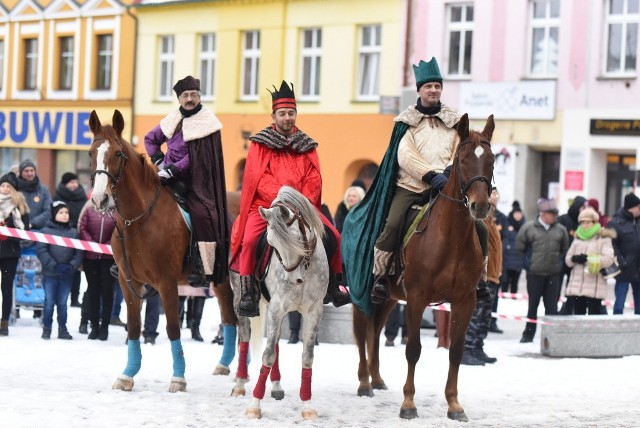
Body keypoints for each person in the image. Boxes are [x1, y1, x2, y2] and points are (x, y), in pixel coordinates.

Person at [341, 57, 486, 307]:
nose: (433, 90)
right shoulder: (405, 122)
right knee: (394, 224)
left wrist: (450, 172)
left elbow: (461, 149)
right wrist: (430, 175)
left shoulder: (455, 120)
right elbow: (405, 154)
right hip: (412, 186)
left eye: (437, 86)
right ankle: (383, 277)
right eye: (428, 86)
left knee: (480, 227)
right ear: (419, 90)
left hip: (448, 188)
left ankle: (479, 278)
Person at [230, 80, 351, 317]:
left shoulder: (307, 145)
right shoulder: (259, 144)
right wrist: (282, 199)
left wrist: (298, 202)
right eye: (283, 113)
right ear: (273, 115)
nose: (288, 117)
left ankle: (334, 286)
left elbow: (313, 177)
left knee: (333, 237)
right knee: (250, 241)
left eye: (291, 113)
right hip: (265, 207)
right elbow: (258, 177)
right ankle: (249, 292)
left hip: (303, 207)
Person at [144, 75, 230, 288]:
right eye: (185, 95)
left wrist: (173, 169)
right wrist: (158, 161)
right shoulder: (173, 118)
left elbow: (198, 156)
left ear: (199, 96)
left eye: (193, 95)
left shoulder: (208, 122)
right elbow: (150, 139)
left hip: (198, 181)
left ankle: (202, 267)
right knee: (141, 203)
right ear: (179, 98)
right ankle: (131, 258)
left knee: (202, 214)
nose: (189, 99)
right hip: (166, 175)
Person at [516, 198, 569, 343]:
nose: (554, 217)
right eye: (552, 214)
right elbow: (519, 248)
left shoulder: (560, 230)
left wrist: (558, 262)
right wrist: (528, 264)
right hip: (534, 274)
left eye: (555, 214)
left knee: (551, 307)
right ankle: (528, 335)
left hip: (553, 274)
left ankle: (550, 337)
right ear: (543, 213)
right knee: (532, 306)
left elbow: (564, 249)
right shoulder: (529, 228)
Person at [462, 186, 503, 365]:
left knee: (485, 316)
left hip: (493, 276)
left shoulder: (492, 223)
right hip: (482, 277)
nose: (491, 211)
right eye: (490, 207)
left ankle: (478, 347)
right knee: (475, 315)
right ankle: (467, 349)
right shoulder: (480, 223)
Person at [36, 201, 83, 340]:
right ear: (54, 214)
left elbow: (79, 252)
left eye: (66, 212)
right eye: (61, 212)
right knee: (49, 302)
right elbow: (42, 250)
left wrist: (72, 266)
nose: (64, 215)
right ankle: (47, 328)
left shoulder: (73, 232)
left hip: (67, 274)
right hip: (50, 274)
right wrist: (53, 265)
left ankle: (62, 329)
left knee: (62, 303)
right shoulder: (46, 231)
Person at [17, 159, 52, 320]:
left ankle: (38, 305)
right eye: (26, 171)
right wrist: (21, 225)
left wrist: (32, 223)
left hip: (38, 236)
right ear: (21, 172)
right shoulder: (15, 190)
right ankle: (16, 302)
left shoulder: (43, 190)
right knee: (19, 271)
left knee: (38, 271)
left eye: (32, 170)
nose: (30, 173)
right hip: (18, 235)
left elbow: (48, 211)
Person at [564, 207, 616, 315]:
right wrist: (574, 258)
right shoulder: (578, 237)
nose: (585, 225)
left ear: (594, 222)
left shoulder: (603, 238)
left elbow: (608, 259)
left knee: (593, 319)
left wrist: (588, 258)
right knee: (578, 318)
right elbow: (568, 260)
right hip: (577, 286)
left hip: (594, 287)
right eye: (582, 222)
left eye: (588, 222)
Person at [78, 200, 115, 340]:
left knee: (107, 292)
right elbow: (82, 228)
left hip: (108, 258)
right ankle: (94, 326)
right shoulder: (89, 210)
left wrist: (106, 246)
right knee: (93, 291)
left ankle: (104, 326)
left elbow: (118, 231)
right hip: (90, 258)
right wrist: (93, 246)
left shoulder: (116, 213)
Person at [0, 172, 30, 336]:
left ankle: (4, 321)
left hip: (10, 252)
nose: (4, 189)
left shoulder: (20, 206)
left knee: (6, 288)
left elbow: (26, 230)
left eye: (8, 186)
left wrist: (10, 226)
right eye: (2, 185)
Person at [54, 172, 87, 307]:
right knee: (60, 266)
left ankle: (74, 297)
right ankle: (58, 296)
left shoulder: (82, 197)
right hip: (61, 236)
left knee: (76, 267)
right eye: (70, 182)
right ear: (65, 184)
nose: (74, 185)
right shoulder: (58, 197)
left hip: (78, 236)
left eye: (75, 182)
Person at [609, 192, 640, 315]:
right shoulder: (616, 222)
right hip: (624, 269)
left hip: (638, 269)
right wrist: (622, 261)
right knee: (619, 304)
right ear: (631, 207)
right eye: (638, 206)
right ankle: (616, 329)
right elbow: (612, 244)